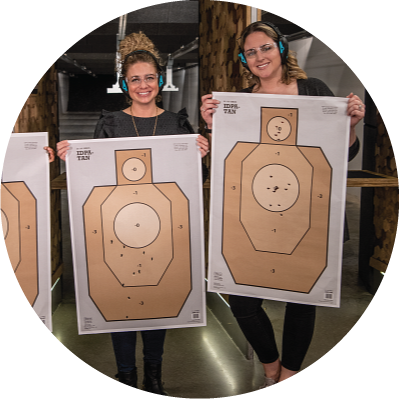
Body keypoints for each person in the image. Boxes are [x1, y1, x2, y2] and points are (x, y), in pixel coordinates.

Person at [200, 21, 364, 388]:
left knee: (301, 300)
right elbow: (227, 163)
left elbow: (344, 154)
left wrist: (350, 125)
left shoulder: (313, 91)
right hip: (255, 219)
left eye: (266, 48)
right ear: (244, 59)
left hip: (308, 215)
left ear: (282, 49)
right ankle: (271, 364)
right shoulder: (241, 103)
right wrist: (214, 126)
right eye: (251, 52)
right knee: (242, 303)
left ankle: (288, 372)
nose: (259, 56)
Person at [57, 31, 209, 396]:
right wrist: (68, 158)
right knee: (120, 302)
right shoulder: (110, 123)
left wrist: (202, 154)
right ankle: (126, 376)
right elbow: (93, 177)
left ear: (160, 81)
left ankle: (153, 378)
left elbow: (195, 180)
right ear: (126, 83)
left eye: (150, 78)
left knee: (159, 300)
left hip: (163, 231)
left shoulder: (178, 125)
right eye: (136, 79)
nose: (144, 85)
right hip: (118, 229)